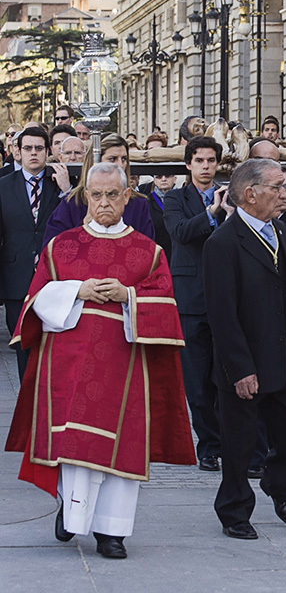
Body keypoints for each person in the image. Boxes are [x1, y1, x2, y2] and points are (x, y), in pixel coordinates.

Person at [4, 162, 194, 559]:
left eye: (113, 195)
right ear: (84, 196)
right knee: (75, 443)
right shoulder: (62, 247)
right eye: (96, 195)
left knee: (122, 444)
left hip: (126, 364)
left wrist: (129, 297)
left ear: (128, 196)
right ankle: (71, 516)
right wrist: (77, 289)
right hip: (70, 363)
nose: (104, 202)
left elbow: (167, 307)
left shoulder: (149, 252)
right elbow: (34, 301)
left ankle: (112, 532)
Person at [202, 159, 286, 540]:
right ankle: (233, 511)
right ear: (250, 194)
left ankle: (279, 486)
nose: (284, 194)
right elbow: (222, 314)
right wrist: (240, 368)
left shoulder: (280, 230)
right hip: (244, 364)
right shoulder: (222, 244)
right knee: (239, 445)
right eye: (277, 187)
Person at [163, 136, 231, 473]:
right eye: (199, 160)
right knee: (197, 380)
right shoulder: (175, 198)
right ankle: (208, 446)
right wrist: (212, 212)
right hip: (190, 299)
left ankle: (231, 440)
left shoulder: (231, 196)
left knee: (227, 376)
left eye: (211, 161)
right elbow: (180, 232)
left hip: (226, 297)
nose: (206, 167)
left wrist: (230, 214)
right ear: (188, 164)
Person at [0, 127, 62, 379]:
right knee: (23, 345)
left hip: (56, 278)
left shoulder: (60, 182)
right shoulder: (3, 186)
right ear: (17, 151)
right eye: (28, 148)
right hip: (16, 278)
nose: (33, 153)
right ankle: (29, 405)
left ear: (48, 152)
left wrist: (67, 190)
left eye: (39, 148)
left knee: (54, 345)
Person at [44, 133, 155, 247]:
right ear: (95, 161)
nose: (120, 165)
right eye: (112, 159)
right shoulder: (73, 203)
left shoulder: (138, 204)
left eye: (124, 159)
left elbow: (147, 248)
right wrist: (84, 227)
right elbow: (53, 248)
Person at [138, 171, 176, 262]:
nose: (163, 179)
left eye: (167, 175)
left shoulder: (184, 198)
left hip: (179, 254)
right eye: (159, 176)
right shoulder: (146, 202)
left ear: (175, 178)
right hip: (156, 253)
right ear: (154, 180)